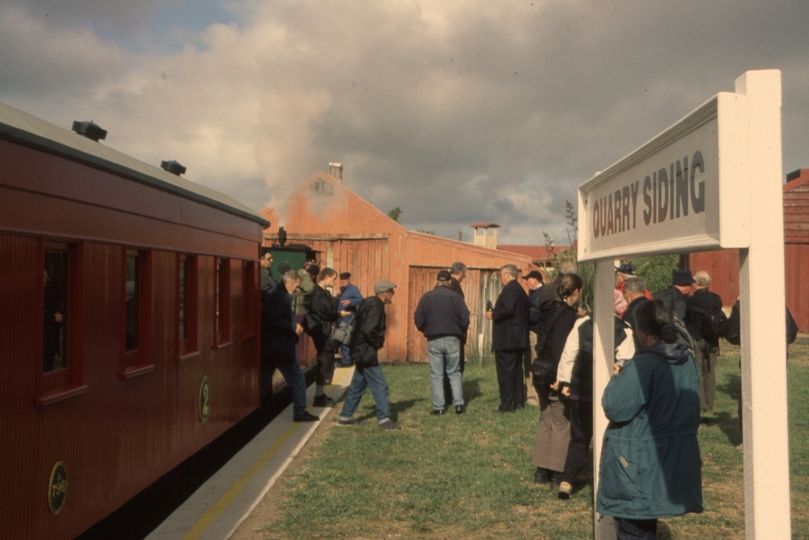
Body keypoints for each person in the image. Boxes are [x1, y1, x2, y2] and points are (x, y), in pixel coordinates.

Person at [597, 299, 703, 539]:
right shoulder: (686, 360)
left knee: (633, 530)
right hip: (668, 458)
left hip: (636, 463)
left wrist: (617, 376)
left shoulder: (642, 365)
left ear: (641, 331)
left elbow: (614, 407)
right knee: (645, 524)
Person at [556, 312, 635, 498]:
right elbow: (625, 362)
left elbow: (569, 353)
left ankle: (567, 480)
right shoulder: (625, 330)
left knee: (579, 438)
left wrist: (565, 382)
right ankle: (606, 481)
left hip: (580, 390)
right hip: (607, 394)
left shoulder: (582, 323)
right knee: (607, 440)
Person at [531, 273, 582, 486]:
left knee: (547, 421)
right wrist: (560, 379)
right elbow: (561, 349)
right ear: (576, 292)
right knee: (562, 422)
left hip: (540, 372)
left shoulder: (547, 309)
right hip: (554, 374)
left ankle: (541, 472)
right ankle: (558, 472)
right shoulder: (567, 315)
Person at [338, 280, 401, 430]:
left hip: (359, 350)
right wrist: (377, 342)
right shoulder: (376, 306)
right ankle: (384, 419)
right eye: (392, 291)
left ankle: (345, 416)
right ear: (384, 294)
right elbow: (368, 330)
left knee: (357, 385)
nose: (393, 294)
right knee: (380, 386)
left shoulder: (368, 302)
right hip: (366, 352)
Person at [260, 271, 319, 422]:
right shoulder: (280, 298)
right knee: (298, 380)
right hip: (280, 348)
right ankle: (300, 412)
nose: (298, 289)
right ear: (288, 283)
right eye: (296, 286)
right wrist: (293, 327)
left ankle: (258, 411)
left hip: (271, 347)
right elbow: (272, 320)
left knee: (262, 381)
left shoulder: (277, 295)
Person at [414, 270, 470, 414]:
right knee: (454, 372)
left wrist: (426, 329)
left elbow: (419, 320)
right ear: (449, 282)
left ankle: (439, 407)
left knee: (436, 374)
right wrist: (458, 329)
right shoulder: (456, 297)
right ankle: (458, 404)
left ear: (437, 281)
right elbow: (465, 318)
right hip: (452, 338)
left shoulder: (426, 297)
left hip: (434, 338)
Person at [486, 264, 530, 412]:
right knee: (516, 372)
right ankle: (517, 403)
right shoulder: (520, 290)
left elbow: (508, 310)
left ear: (507, 275)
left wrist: (493, 315)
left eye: (500, 275)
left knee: (506, 373)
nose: (500, 278)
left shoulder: (510, 289)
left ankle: (507, 406)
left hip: (508, 340)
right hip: (517, 339)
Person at [685, 270, 723, 415]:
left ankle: (700, 404)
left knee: (697, 371)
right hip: (712, 340)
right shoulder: (716, 298)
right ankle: (709, 404)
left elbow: (687, 319)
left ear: (698, 283)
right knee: (710, 371)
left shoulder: (691, 301)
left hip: (697, 338)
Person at [306, 267, 340, 407]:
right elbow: (330, 312)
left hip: (325, 332)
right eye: (333, 278)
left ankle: (320, 394)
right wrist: (336, 298)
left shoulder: (323, 293)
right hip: (323, 334)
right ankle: (319, 396)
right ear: (326, 277)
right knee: (324, 361)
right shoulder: (319, 295)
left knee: (326, 361)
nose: (334, 281)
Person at [444, 262, 469, 403]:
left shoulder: (441, 286)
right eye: (464, 274)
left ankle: (443, 397)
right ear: (460, 272)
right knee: (455, 367)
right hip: (454, 332)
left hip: (441, 331)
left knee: (443, 367)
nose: (464, 277)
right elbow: (460, 313)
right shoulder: (455, 288)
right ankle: (453, 397)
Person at [524, 270, 545, 407]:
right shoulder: (538, 293)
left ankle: (533, 397)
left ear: (536, 280)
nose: (526, 282)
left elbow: (534, 316)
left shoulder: (538, 295)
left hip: (533, 332)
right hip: (537, 332)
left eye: (528, 279)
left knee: (531, 363)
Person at [337, 272, 363, 367]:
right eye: (341, 279)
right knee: (342, 338)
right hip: (340, 317)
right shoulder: (340, 290)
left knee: (345, 338)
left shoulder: (353, 289)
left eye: (345, 279)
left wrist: (350, 301)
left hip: (348, 318)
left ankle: (347, 360)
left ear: (349, 280)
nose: (342, 281)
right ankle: (348, 358)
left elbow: (360, 299)